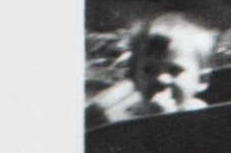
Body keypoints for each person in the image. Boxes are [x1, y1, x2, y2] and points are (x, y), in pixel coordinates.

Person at [85, 15, 216, 127]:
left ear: (202, 80)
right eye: (149, 70)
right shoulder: (128, 117)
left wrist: (168, 120)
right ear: (134, 78)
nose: (161, 79)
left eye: (174, 70)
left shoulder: (198, 113)